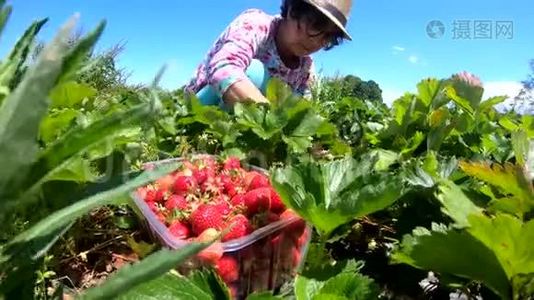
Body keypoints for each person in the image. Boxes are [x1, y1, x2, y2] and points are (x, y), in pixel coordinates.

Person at [184, 0, 353, 108]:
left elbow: (302, 109)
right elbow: (223, 69)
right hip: (203, 105)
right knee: (254, 72)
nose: (316, 43)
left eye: (327, 38)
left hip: (249, 122)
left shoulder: (306, 67)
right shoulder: (256, 24)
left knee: (294, 102)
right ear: (292, 10)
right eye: (315, 28)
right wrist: (270, 118)